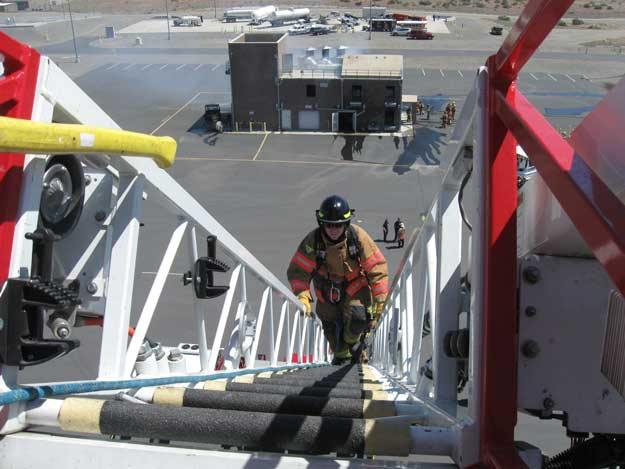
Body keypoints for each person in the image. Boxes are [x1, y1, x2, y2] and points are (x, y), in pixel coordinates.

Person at [287, 195, 389, 365]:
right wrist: (303, 295)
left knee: (358, 319)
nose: (333, 229)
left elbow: (377, 269)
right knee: (333, 335)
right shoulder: (314, 241)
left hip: (355, 288)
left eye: (338, 225)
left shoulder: (357, 237)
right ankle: (343, 356)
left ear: (346, 223)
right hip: (326, 293)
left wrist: (380, 302)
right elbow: (298, 270)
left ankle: (354, 344)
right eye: (329, 225)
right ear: (322, 223)